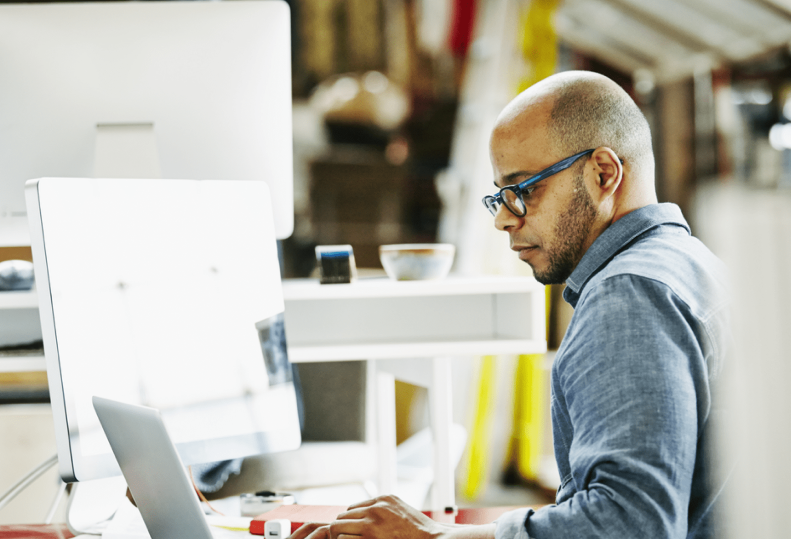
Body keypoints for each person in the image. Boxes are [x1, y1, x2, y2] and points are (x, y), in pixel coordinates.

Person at [289, 71, 729, 539]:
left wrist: (434, 538)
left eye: (524, 190)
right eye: (499, 196)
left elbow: (629, 525)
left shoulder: (627, 297)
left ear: (603, 173)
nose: (503, 219)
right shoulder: (690, 264)